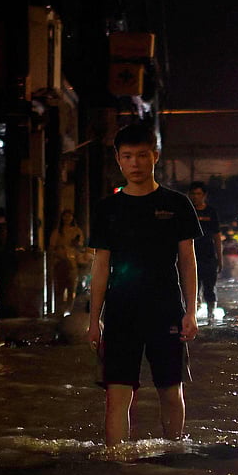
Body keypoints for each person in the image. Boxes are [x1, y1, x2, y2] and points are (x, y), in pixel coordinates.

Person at [87, 123, 201, 446]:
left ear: (155, 156)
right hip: (121, 312)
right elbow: (100, 265)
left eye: (141, 155)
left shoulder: (177, 205)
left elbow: (187, 261)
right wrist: (94, 319)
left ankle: (175, 453)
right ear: (118, 160)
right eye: (127, 156)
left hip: (166, 310)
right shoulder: (107, 208)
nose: (135, 163)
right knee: (117, 395)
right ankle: (117, 465)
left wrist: (191, 311)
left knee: (171, 389)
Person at [187, 182, 223, 323]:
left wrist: (220, 259)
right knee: (192, 289)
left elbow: (217, 237)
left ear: (204, 195)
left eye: (198, 194)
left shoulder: (211, 212)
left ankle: (210, 316)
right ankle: (192, 316)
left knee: (209, 288)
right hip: (191, 258)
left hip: (208, 258)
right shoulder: (187, 211)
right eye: (193, 194)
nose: (195, 197)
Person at [48, 209, 86, 316]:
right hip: (60, 262)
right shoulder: (57, 232)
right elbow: (51, 248)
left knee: (71, 288)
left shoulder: (77, 231)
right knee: (60, 289)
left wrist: (76, 245)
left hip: (72, 263)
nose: (67, 218)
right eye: (65, 216)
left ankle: (70, 311)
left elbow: (81, 246)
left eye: (69, 216)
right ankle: (59, 311)